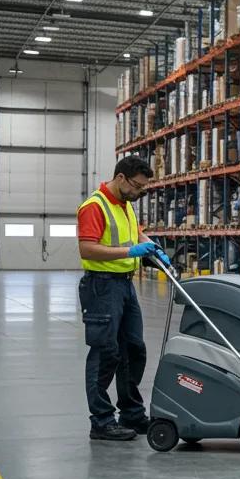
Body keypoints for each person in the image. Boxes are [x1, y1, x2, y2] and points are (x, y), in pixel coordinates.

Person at [77, 155, 171, 441]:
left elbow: (137, 234)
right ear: (120, 178)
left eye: (143, 188)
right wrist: (130, 252)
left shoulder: (125, 204)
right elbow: (87, 249)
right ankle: (102, 421)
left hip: (125, 285)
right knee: (105, 352)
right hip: (102, 286)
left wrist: (153, 248)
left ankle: (131, 413)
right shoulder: (94, 206)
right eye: (137, 186)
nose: (139, 192)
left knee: (133, 349)